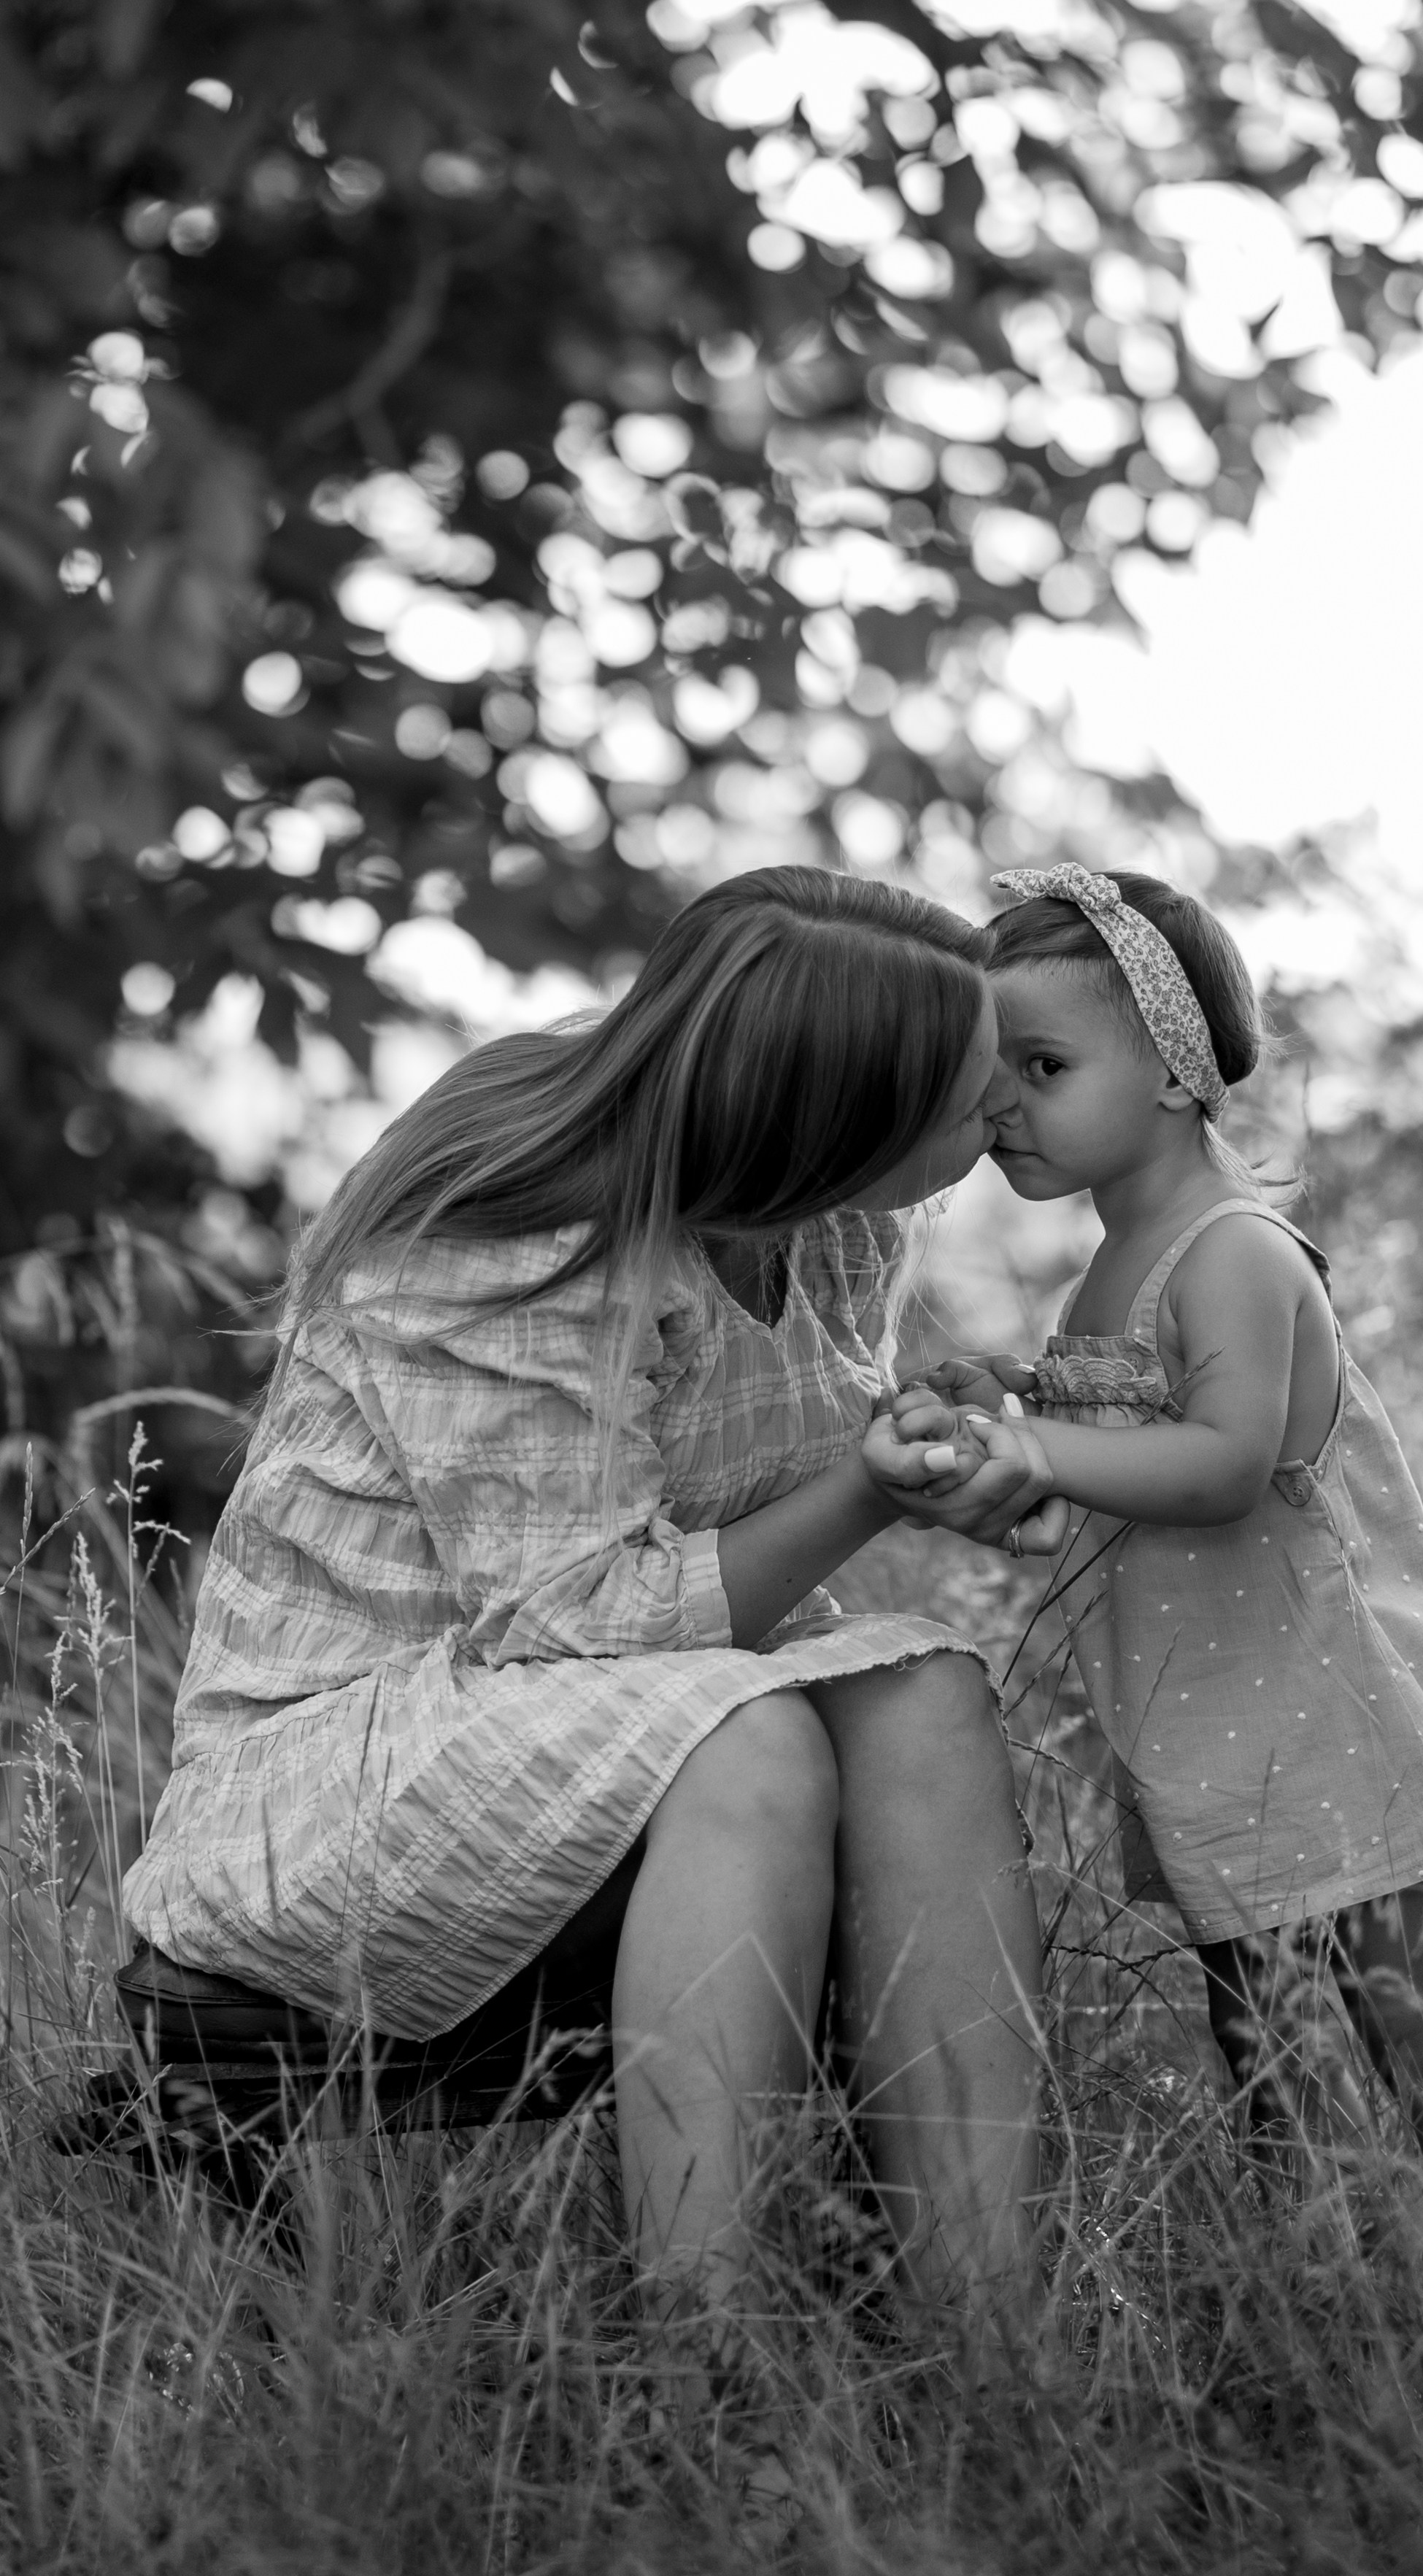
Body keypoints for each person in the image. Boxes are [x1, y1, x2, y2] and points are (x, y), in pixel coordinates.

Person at [122, 867, 1066, 2353]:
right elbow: (575, 1616)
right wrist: (870, 1493)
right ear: (835, 1114)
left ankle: (997, 2335)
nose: (1005, 1107)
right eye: (969, 1093)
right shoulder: (520, 1226)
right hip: (334, 1778)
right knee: (754, 1740)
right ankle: (708, 2367)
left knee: (924, 1693)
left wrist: (930, 1444)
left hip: (589, 1725)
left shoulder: (829, 1219)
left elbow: (757, 1478)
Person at [891, 862, 1423, 2183]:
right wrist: (1014, 1404)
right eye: (988, 1074)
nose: (998, 1108)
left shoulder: (1235, 1252)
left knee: (1419, 2024)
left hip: (1333, 1717)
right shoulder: (1114, 1264)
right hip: (1215, 1731)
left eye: (1039, 1068)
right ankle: (1324, 2299)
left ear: (1170, 1069)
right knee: (1266, 2033)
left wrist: (1037, 1440)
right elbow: (1127, 1441)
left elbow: (1220, 1465)